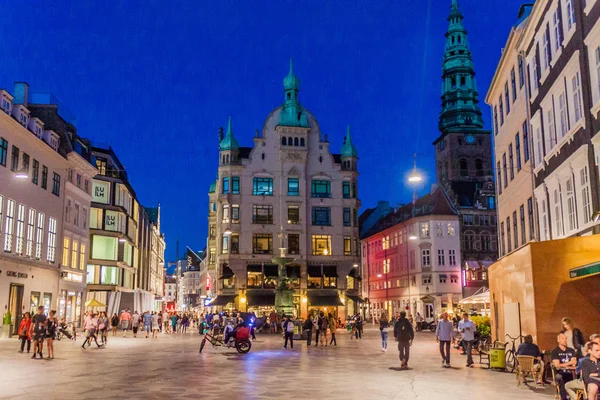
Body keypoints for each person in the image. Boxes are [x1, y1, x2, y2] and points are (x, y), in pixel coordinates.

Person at [551, 333, 578, 400]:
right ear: (558, 340)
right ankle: (564, 398)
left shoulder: (571, 350)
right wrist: (569, 363)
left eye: (566, 339)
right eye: (562, 338)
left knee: (578, 377)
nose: (565, 340)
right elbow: (557, 366)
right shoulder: (555, 351)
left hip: (570, 372)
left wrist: (563, 364)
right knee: (560, 377)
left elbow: (574, 362)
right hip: (559, 373)